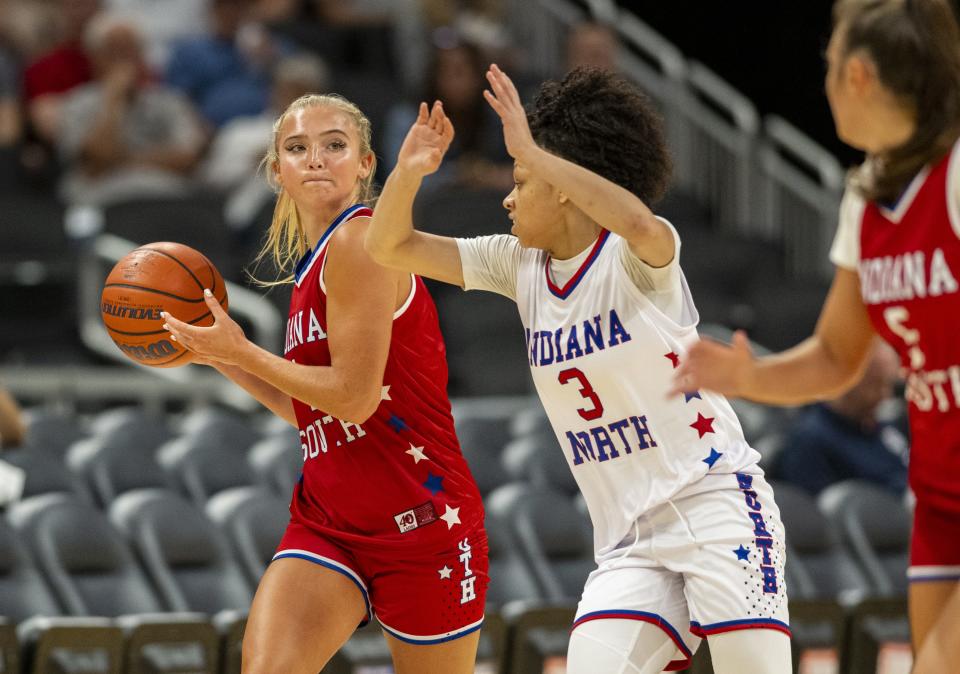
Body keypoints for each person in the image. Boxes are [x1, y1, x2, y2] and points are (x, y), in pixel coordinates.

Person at [366, 65, 792, 674]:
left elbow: (641, 222)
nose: (507, 197)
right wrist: (407, 173)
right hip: (629, 542)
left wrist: (533, 151)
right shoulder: (517, 265)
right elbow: (391, 247)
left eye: (521, 180)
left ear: (564, 185)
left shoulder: (638, 257)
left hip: (716, 507)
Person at [673, 1, 960, 672]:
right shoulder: (867, 196)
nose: (824, 79)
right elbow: (837, 354)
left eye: (828, 66)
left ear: (857, 74)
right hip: (941, 489)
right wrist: (747, 379)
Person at [161, 92, 487, 673]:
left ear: (364, 164)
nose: (315, 158)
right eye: (297, 148)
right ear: (277, 171)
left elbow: (355, 399)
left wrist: (244, 350)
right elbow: (314, 412)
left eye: (334, 145)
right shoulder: (311, 262)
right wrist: (224, 360)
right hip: (329, 522)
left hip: (424, 523)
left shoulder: (359, 242)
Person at [57, 11, 207, 206]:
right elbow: (95, 162)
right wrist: (113, 99)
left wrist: (125, 162)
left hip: (166, 199)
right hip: (104, 201)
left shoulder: (170, 101)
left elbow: (188, 158)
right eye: (113, 51)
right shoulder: (76, 104)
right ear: (94, 58)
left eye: (129, 51)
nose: (123, 60)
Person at [774, 340, 908, 496]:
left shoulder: (879, 426)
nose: (885, 395)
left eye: (888, 385)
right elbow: (813, 515)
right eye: (876, 385)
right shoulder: (809, 441)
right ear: (848, 381)